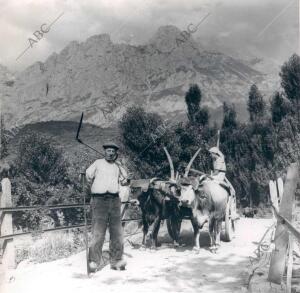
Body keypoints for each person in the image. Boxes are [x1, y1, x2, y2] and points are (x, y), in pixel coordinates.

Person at [86, 141, 129, 272]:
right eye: (108, 151)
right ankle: (94, 261)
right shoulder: (97, 163)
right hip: (99, 201)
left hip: (115, 200)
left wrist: (121, 166)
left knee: (117, 232)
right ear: (104, 152)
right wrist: (96, 189)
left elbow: (125, 180)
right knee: (98, 232)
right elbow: (88, 176)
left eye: (113, 151)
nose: (110, 153)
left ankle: (116, 260)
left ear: (116, 154)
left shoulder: (117, 166)